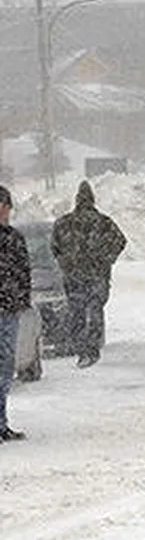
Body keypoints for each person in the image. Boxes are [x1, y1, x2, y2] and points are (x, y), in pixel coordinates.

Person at [50, 180, 127, 368]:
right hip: (96, 276)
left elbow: (54, 246)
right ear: (93, 200)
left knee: (76, 312)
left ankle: (80, 348)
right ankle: (91, 349)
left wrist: (65, 263)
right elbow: (121, 241)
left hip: (74, 277)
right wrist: (106, 259)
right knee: (94, 310)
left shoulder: (63, 223)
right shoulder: (103, 222)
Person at [0, 185, 29, 441]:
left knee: (5, 367)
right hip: (7, 307)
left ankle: (1, 422)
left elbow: (23, 271)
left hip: (9, 310)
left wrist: (22, 300)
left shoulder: (14, 237)